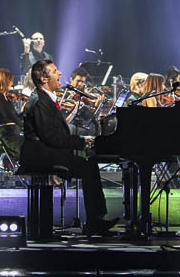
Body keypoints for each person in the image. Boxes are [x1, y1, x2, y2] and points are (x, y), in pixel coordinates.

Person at [20, 60, 119, 236]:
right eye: (55, 71)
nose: (60, 74)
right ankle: (95, 222)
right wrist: (82, 142)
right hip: (40, 155)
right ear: (44, 78)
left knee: (89, 165)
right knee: (88, 167)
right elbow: (50, 136)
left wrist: (82, 141)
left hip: (46, 152)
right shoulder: (39, 101)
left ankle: (96, 220)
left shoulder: (45, 98)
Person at [0, 68, 23, 159]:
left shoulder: (4, 97)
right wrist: (25, 127)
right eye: (10, 80)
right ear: (4, 81)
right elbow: (11, 117)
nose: (12, 83)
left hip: (11, 132)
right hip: (7, 136)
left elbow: (14, 116)